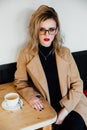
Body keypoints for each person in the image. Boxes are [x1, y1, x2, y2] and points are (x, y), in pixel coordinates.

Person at [14, 5, 87, 130]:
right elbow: (20, 82)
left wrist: (64, 112)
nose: (46, 34)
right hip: (45, 107)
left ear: (57, 30)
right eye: (42, 29)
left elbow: (78, 84)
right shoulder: (25, 54)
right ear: (35, 30)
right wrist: (31, 97)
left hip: (71, 104)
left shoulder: (65, 53)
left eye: (51, 29)